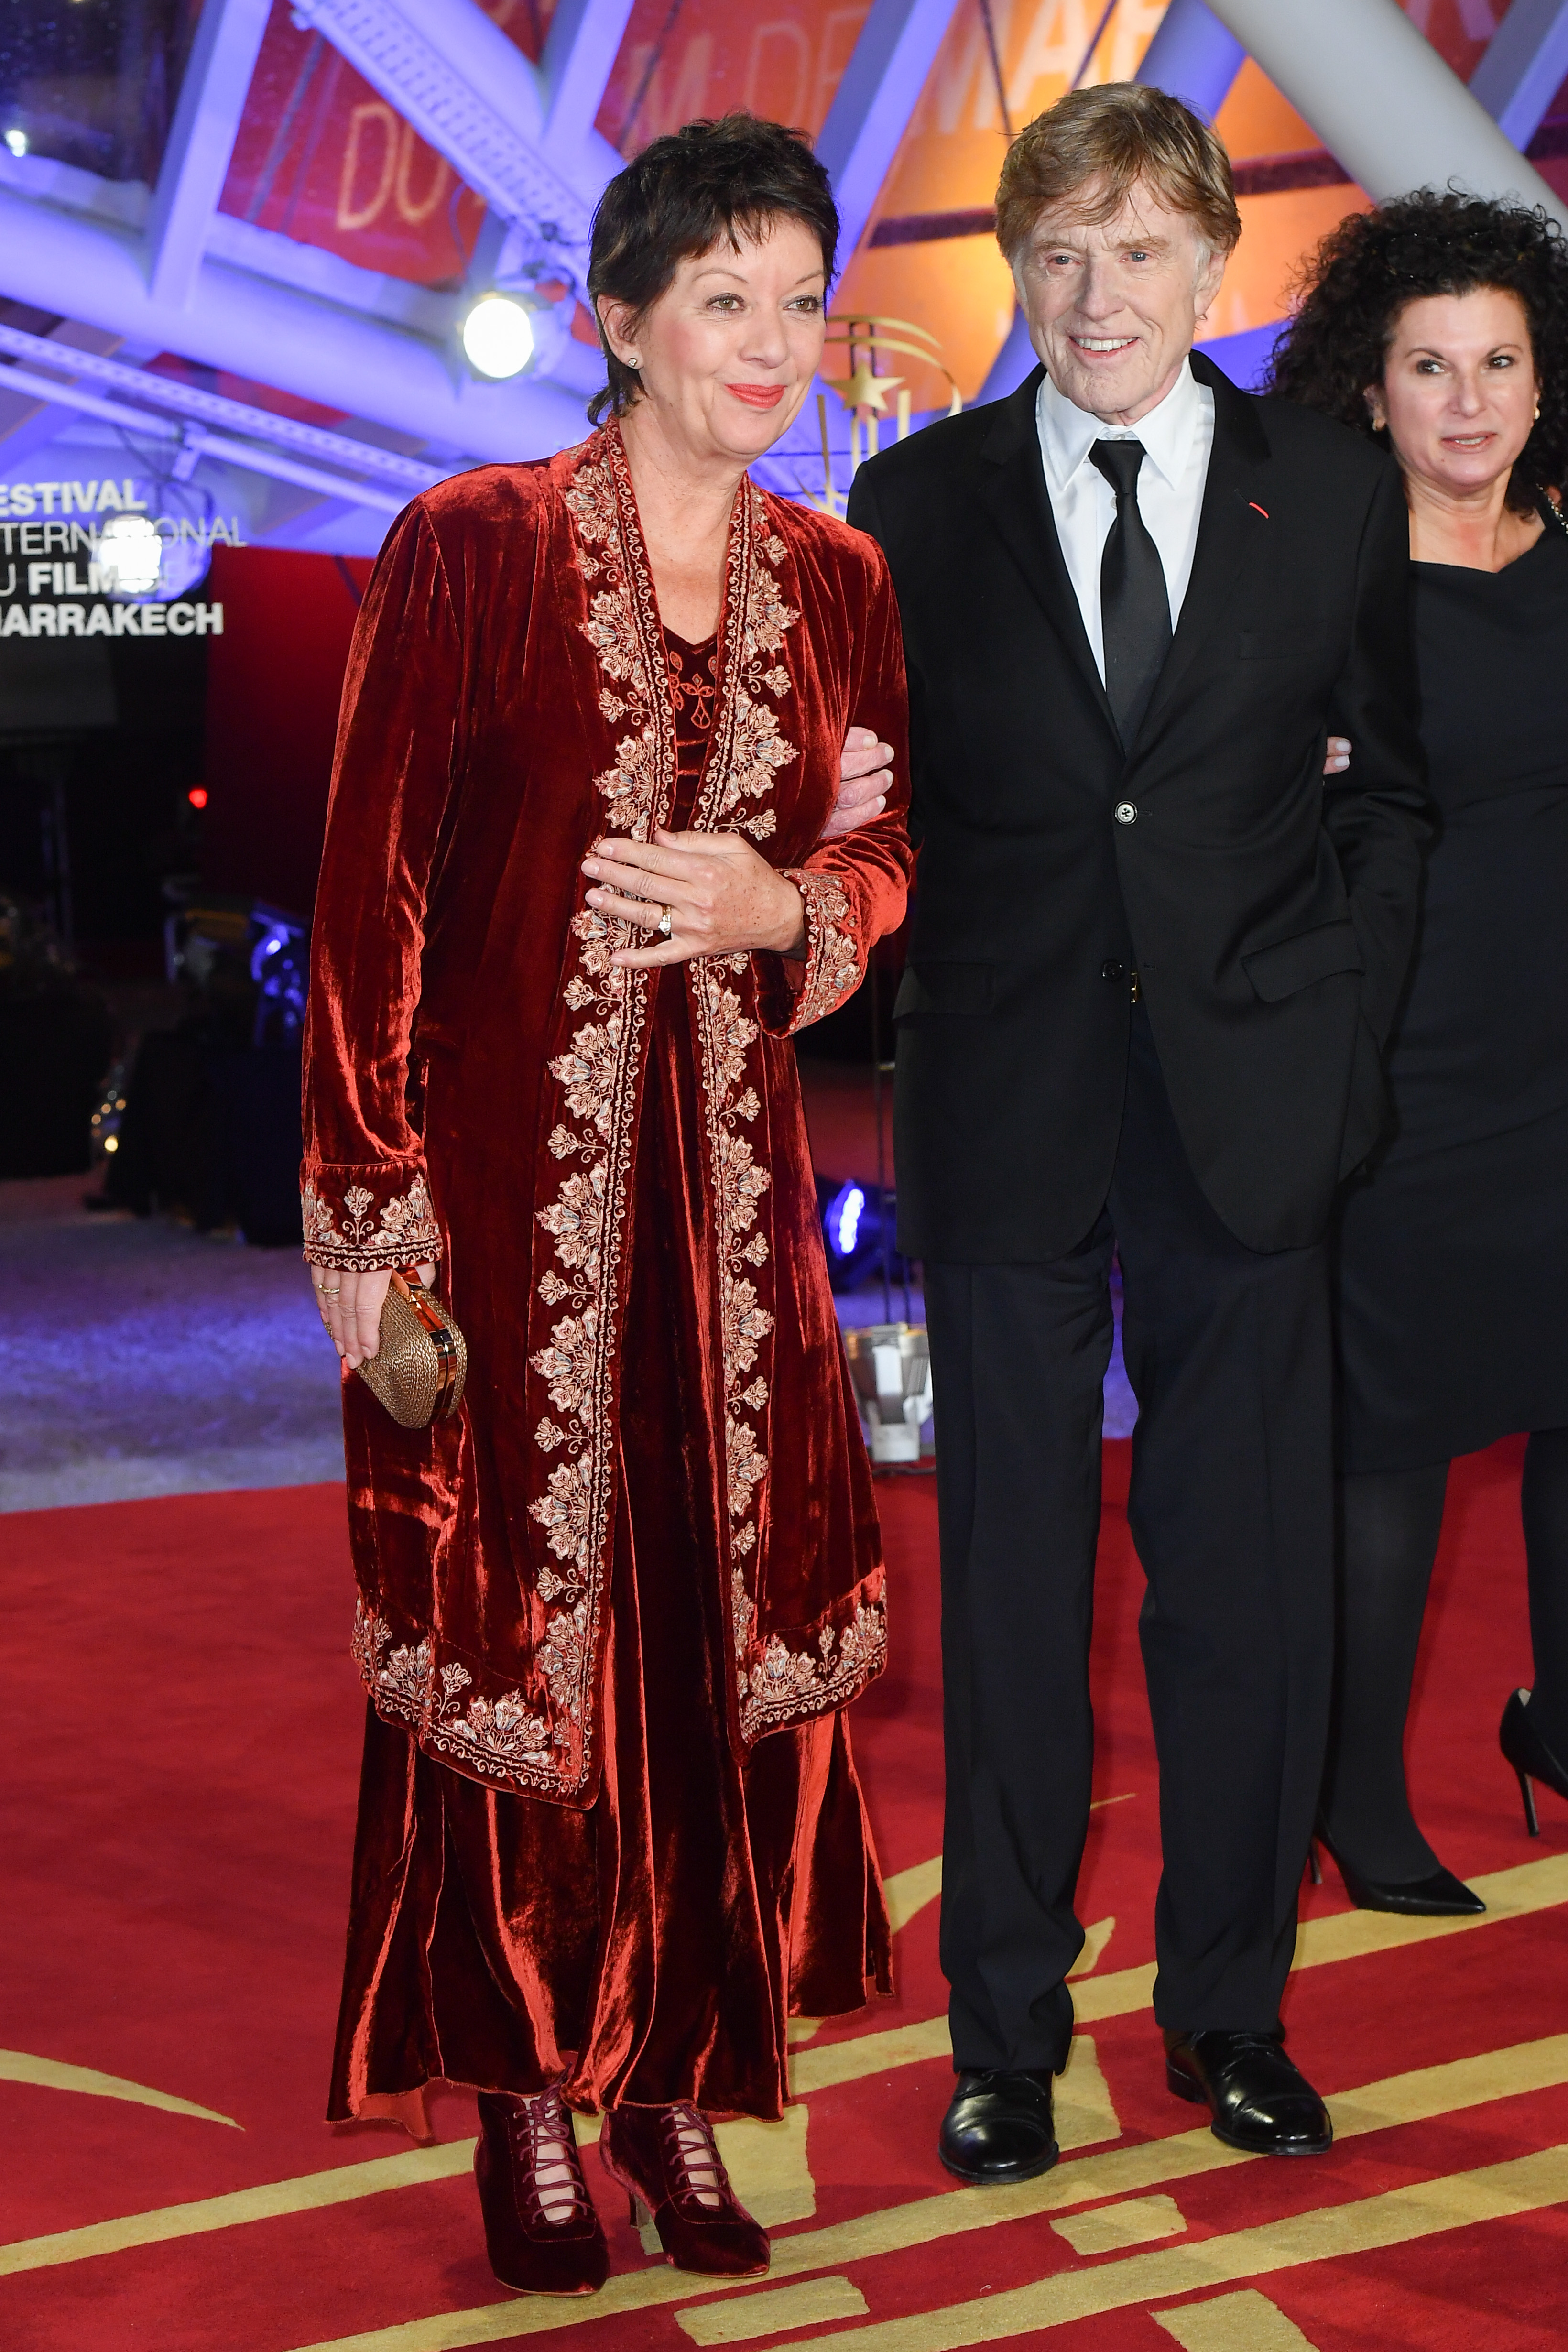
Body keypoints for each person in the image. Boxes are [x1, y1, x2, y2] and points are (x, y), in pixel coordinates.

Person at [300, 114, 913, 2298]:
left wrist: (787, 906)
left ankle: (673, 2079)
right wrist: (371, 1229)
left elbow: (882, 864)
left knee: (700, 1663)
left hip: (736, 1244)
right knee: (522, 1663)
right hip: (500, 1211)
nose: (769, 347)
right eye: (723, 301)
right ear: (621, 321)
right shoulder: (465, 544)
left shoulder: (838, 585)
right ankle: (537, 2104)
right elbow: (367, 896)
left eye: (797, 303)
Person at [845, 83, 1429, 2178]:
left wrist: (1340, 1032)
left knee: (1241, 1587)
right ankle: (1001, 2033)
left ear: (1216, 268)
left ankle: (1230, 2012)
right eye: (1060, 254)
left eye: (1140, 252)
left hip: (1254, 1113)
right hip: (1006, 1108)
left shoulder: (1332, 494)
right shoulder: (909, 509)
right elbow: (870, 812)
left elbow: (1384, 797)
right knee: (1009, 1585)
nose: (1099, 297)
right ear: (1018, 269)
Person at [1270, 193, 1568, 1913]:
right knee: (1389, 1445)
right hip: (1407, 1070)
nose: (1469, 402)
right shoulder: (1326, 573)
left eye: (1502, 363)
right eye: (1430, 366)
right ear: (1369, 389)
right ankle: (1353, 1793)